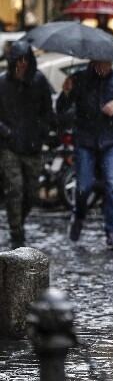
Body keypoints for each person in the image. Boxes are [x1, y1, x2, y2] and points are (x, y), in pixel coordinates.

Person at [56, 59, 113, 250]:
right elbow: (62, 108)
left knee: (112, 185)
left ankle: (111, 231)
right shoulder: (80, 78)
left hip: (110, 139)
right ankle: (79, 216)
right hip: (85, 139)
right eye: (100, 64)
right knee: (84, 186)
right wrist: (66, 92)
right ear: (93, 62)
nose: (103, 68)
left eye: (107, 64)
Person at [0, 40, 55, 249]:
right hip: (9, 144)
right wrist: (6, 132)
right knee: (14, 188)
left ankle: (18, 221)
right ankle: (16, 232)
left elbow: (48, 113)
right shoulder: (2, 84)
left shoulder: (39, 82)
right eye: (18, 60)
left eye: (25, 60)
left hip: (32, 145)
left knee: (31, 192)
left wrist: (41, 130)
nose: (22, 64)